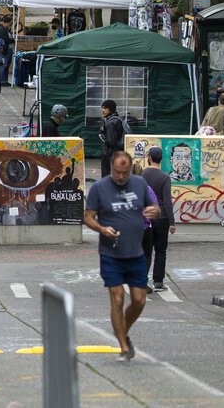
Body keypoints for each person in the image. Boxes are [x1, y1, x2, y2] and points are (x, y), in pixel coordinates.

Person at [83, 151, 160, 361]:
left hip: (135, 252)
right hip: (111, 252)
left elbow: (155, 208)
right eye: (117, 172)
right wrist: (101, 229)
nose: (120, 176)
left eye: (124, 172)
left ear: (130, 169)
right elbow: (88, 217)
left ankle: (123, 330)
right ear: (111, 168)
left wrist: (155, 212)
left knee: (139, 300)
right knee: (117, 298)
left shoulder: (139, 185)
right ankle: (124, 346)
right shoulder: (99, 188)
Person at [141, 146, 175, 292]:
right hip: (162, 218)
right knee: (161, 251)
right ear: (161, 159)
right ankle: (158, 282)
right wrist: (172, 222)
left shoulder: (142, 175)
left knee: (146, 251)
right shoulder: (165, 177)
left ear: (149, 157)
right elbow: (167, 201)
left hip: (147, 217)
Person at [99, 99, 126, 177]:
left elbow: (111, 141)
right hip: (117, 154)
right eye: (102, 108)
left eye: (105, 108)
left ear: (111, 109)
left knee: (108, 179)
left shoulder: (111, 122)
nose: (103, 110)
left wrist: (101, 135)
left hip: (109, 156)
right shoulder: (118, 119)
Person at [0, 16, 15, 87]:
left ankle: (5, 80)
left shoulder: (6, 30)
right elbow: (4, 39)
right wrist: (12, 40)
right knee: (4, 65)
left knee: (6, 65)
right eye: (9, 23)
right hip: (5, 51)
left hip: (8, 50)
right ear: (6, 23)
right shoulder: (2, 30)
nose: (10, 25)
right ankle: (2, 80)